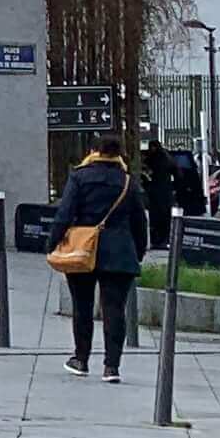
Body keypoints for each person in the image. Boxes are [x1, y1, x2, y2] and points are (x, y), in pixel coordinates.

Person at [49, 138, 146, 381]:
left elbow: (65, 213)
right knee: (115, 309)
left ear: (94, 151)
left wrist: (52, 242)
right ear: (119, 154)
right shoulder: (127, 181)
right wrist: (139, 251)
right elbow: (139, 221)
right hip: (120, 251)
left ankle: (81, 359)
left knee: (82, 306)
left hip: (82, 249)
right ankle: (111, 367)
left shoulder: (80, 176)